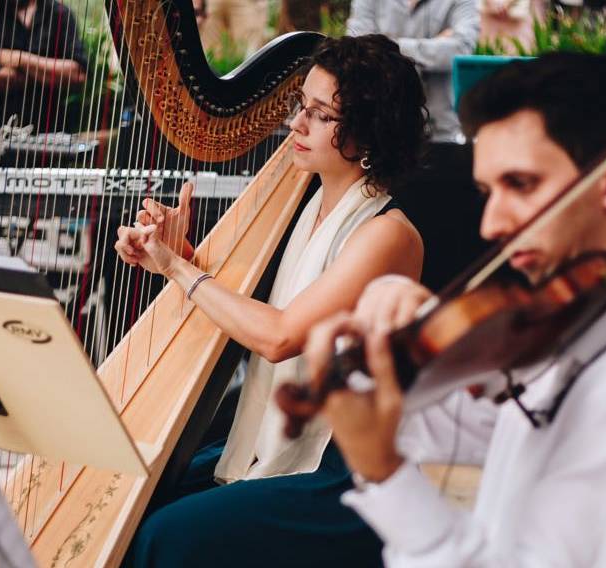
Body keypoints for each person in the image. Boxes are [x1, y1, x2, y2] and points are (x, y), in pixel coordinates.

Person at [304, 52, 606, 566]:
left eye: (520, 185)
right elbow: (494, 434)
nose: (492, 224)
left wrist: (384, 472)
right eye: (487, 191)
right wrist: (404, 360)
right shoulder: (589, 321)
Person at [114, 34, 428, 567]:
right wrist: (176, 251)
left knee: (163, 535)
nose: (297, 125)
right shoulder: (306, 209)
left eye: (321, 115)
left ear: (370, 131)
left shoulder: (386, 233)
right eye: (300, 106)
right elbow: (252, 305)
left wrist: (177, 268)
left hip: (343, 469)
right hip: (283, 438)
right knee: (132, 494)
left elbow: (281, 335)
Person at [346, 0, 480, 143]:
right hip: (380, 127)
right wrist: (435, 44)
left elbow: (461, 48)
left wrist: (385, 48)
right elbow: (357, 50)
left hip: (441, 132)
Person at [0, 0, 87, 136]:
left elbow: (78, 75)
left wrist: (19, 59)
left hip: (47, 142)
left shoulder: (60, 14)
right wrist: (51, 73)